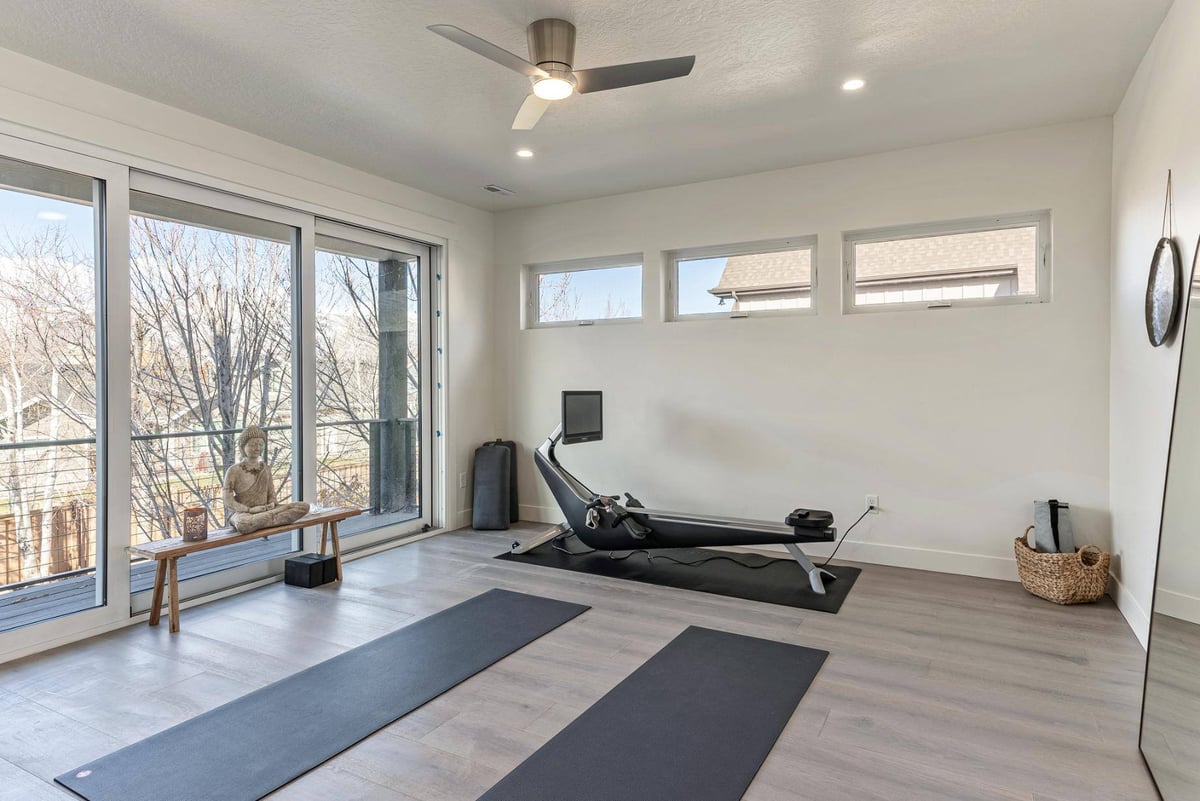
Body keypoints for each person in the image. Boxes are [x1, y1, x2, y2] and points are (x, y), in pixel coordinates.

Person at [222, 425, 310, 534]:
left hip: (265, 510)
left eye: (260, 444)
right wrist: (249, 510)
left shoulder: (265, 468)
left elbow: (271, 495)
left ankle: (262, 521)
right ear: (243, 447)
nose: (257, 448)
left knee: (303, 506)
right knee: (243, 523)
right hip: (243, 513)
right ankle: (269, 520)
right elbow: (228, 500)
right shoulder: (234, 470)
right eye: (253, 444)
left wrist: (271, 504)